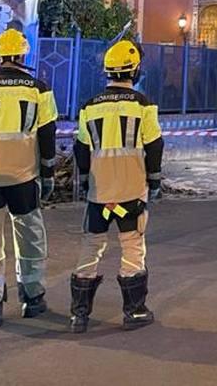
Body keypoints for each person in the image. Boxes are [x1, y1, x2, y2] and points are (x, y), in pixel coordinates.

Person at [70, 39, 164, 333]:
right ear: (134, 71)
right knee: (132, 245)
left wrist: (85, 179)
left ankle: (79, 314)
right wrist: (155, 179)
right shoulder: (143, 105)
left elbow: (81, 148)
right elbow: (154, 145)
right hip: (131, 190)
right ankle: (134, 310)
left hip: (99, 192)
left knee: (92, 245)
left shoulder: (89, 107)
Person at [0, 28, 59, 327]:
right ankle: (32, 298)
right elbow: (47, 134)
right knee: (30, 235)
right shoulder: (38, 89)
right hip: (24, 177)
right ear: (22, 55)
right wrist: (48, 173)